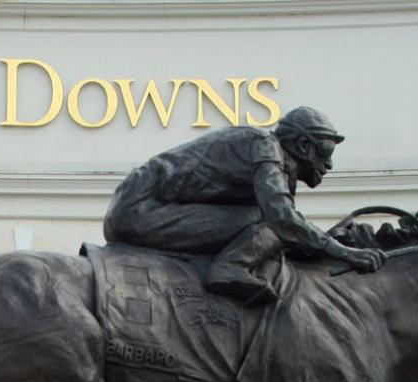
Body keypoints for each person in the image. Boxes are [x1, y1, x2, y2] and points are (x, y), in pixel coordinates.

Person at [102, 106, 385, 305]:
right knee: (270, 222)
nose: (330, 164)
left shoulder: (268, 157)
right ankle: (231, 268)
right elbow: (282, 220)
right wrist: (345, 253)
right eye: (324, 153)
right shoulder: (265, 147)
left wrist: (331, 245)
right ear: (301, 145)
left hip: (140, 209)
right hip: (139, 212)